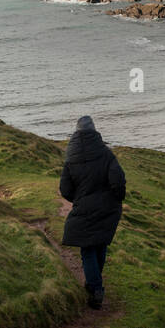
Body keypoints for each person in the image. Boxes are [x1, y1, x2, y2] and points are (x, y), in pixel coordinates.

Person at [59, 115, 126, 309]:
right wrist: (117, 197)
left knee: (88, 249)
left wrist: (78, 200)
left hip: (84, 207)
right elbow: (118, 180)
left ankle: (94, 287)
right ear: (94, 130)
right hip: (107, 207)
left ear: (77, 131)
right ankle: (95, 287)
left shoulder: (71, 157)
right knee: (100, 245)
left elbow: (65, 188)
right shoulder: (105, 153)